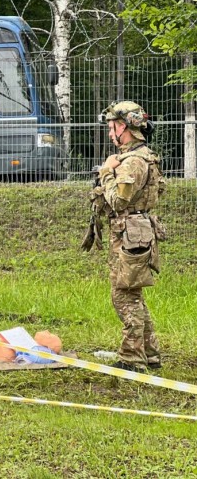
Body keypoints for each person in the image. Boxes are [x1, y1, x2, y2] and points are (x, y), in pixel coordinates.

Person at [95, 101, 165, 372]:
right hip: (135, 231)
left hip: (129, 233)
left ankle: (132, 359)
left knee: (124, 295)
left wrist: (105, 172)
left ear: (123, 127)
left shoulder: (133, 161)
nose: (111, 133)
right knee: (132, 293)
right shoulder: (143, 156)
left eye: (112, 127)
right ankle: (150, 353)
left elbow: (118, 201)